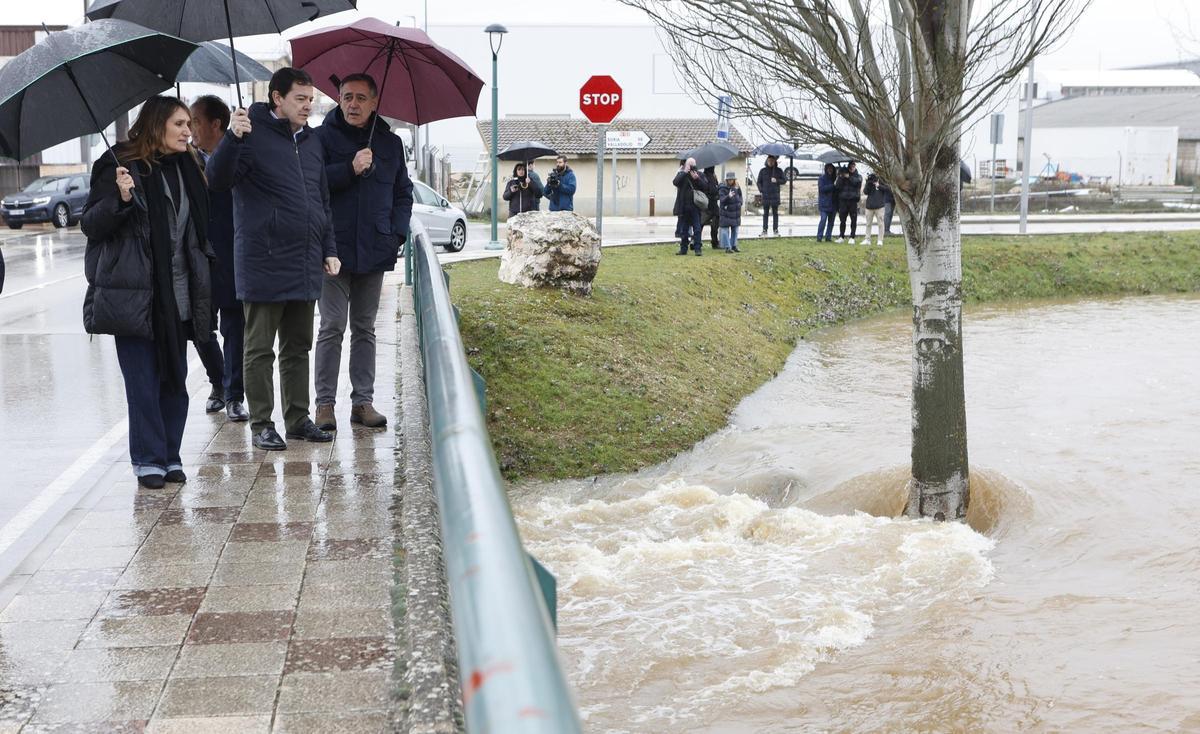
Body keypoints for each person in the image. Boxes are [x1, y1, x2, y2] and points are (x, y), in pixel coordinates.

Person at [80, 96, 214, 488]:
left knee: (175, 378)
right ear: (156, 125)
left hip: (180, 290)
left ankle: (171, 456)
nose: (188, 131)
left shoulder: (190, 165)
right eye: (179, 124)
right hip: (136, 294)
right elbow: (91, 225)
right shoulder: (118, 165)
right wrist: (120, 199)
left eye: (189, 123)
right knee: (143, 382)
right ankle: (149, 460)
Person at [207, 67, 341, 451]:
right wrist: (232, 138)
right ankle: (263, 423)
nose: (308, 105)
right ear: (277, 98)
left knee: (298, 345)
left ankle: (298, 418)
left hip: (304, 259)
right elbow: (217, 179)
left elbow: (322, 202)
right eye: (300, 98)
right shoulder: (249, 133)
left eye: (311, 98)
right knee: (259, 348)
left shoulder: (313, 142)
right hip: (263, 258)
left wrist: (329, 248)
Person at [313, 73, 414, 431]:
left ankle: (363, 402)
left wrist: (396, 235)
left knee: (364, 328)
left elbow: (403, 193)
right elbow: (312, 185)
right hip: (333, 250)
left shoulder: (390, 144)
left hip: (374, 249)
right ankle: (324, 405)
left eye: (360, 98)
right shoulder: (321, 137)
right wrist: (349, 168)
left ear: (374, 103)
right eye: (346, 97)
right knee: (332, 325)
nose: (352, 104)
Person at [189, 95, 248, 422]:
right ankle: (218, 381)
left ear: (216, 124)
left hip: (232, 254)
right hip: (198, 258)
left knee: (234, 328)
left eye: (196, 121)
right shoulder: (186, 158)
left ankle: (234, 393)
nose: (192, 129)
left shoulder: (237, 152)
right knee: (200, 328)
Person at [672, 157, 707, 256]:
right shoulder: (682, 174)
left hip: (695, 206)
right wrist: (683, 172)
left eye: (693, 165)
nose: (691, 167)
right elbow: (675, 182)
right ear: (686, 165)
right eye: (689, 165)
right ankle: (683, 249)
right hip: (683, 206)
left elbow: (705, 187)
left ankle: (697, 249)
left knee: (697, 228)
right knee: (684, 229)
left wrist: (697, 179)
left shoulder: (699, 174)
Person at [756, 155, 785, 237]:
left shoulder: (778, 171)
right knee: (765, 213)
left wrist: (777, 180)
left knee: (775, 213)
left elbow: (784, 180)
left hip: (775, 195)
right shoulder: (763, 171)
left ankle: (775, 230)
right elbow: (759, 182)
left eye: (772, 161)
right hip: (765, 195)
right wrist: (761, 190)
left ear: (774, 161)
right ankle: (764, 230)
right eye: (769, 160)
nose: (770, 162)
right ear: (767, 161)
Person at [835, 162, 862, 243]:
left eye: (854, 166)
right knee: (842, 220)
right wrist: (841, 177)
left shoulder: (858, 176)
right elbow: (837, 186)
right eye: (851, 167)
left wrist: (849, 177)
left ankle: (852, 237)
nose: (852, 168)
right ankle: (841, 236)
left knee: (853, 220)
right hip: (843, 201)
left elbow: (857, 183)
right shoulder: (843, 175)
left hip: (853, 200)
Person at [717, 170, 742, 253]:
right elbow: (722, 200)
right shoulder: (722, 188)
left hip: (735, 213)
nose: (731, 181)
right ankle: (728, 247)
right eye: (729, 179)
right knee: (724, 231)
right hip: (726, 213)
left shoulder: (737, 186)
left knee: (735, 230)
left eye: (732, 179)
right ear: (727, 180)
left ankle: (734, 245)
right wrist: (728, 196)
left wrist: (740, 202)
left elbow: (740, 195)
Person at [861, 172, 886, 246]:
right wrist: (868, 183)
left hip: (880, 206)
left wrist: (879, 185)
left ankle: (880, 240)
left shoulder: (882, 180)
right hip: (869, 207)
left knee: (880, 224)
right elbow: (865, 192)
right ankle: (867, 239)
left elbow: (887, 189)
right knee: (868, 224)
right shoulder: (869, 182)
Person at [817, 163, 837, 242]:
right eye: (828, 168)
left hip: (833, 203)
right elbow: (822, 189)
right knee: (823, 220)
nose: (830, 170)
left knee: (831, 222)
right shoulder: (822, 178)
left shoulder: (834, 178)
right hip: (824, 203)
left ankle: (828, 237)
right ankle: (819, 236)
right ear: (826, 169)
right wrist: (833, 185)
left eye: (831, 169)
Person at [703, 165, 720, 248]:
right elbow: (714, 190)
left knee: (700, 224)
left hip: (704, 204)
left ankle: (695, 241)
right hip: (712, 205)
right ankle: (715, 242)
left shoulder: (702, 176)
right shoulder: (710, 177)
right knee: (714, 225)